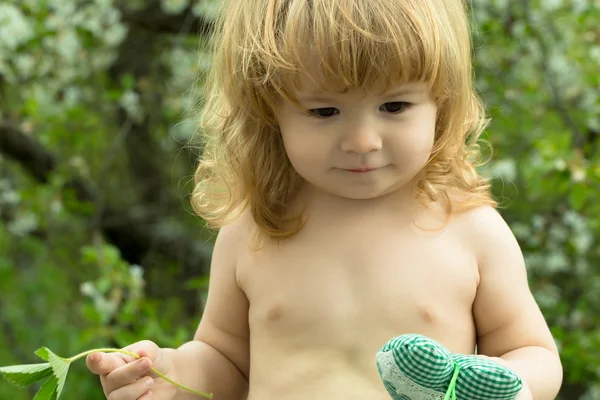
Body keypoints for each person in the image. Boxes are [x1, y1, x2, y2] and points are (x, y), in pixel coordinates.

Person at [86, 0, 563, 399]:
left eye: (394, 106)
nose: (362, 140)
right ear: (268, 112)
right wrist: (169, 377)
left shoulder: (469, 228)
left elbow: (535, 354)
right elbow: (226, 361)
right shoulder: (254, 229)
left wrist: (506, 385)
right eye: (324, 110)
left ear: (442, 100)